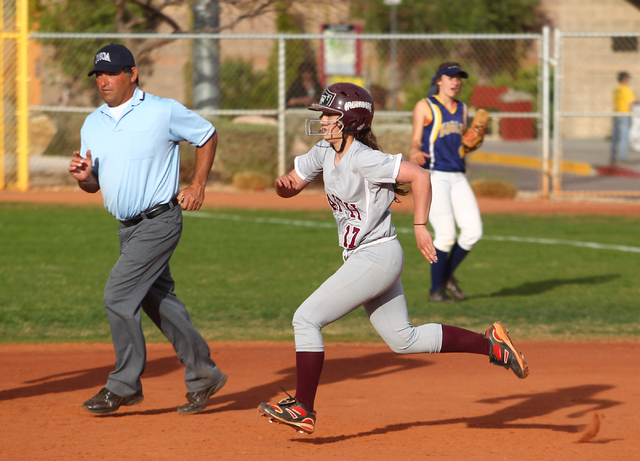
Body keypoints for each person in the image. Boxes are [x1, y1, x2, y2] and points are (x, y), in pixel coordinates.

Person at [257, 82, 529, 435]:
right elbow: (294, 181)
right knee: (404, 340)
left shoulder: (364, 157)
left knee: (306, 319)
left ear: (350, 120)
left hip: (376, 257)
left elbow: (420, 176)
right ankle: (489, 343)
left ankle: (304, 408)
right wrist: (285, 187)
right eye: (323, 114)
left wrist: (420, 226)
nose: (323, 120)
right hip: (369, 257)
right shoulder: (324, 151)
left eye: (330, 114)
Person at [68, 43, 227, 415]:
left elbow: (206, 134)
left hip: (160, 221)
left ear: (132, 73)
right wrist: (84, 177)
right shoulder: (93, 123)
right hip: (127, 229)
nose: (103, 81)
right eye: (99, 75)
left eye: (111, 73)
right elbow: (93, 185)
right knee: (160, 303)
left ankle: (123, 385)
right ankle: (204, 374)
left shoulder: (161, 110)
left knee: (118, 295)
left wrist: (198, 183)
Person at [409, 62, 483, 303]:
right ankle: (435, 291)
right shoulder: (425, 105)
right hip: (435, 176)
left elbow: (461, 142)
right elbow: (416, 140)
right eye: (450, 76)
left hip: (458, 175)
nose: (455, 81)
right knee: (446, 234)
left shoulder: (462, 109)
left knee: (473, 232)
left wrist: (471, 141)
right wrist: (414, 152)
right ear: (438, 80)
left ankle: (446, 276)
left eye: (459, 77)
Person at [611, 71, 636, 166]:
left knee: (615, 137)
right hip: (624, 114)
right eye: (628, 78)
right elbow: (630, 102)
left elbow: (614, 100)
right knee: (623, 137)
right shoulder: (626, 89)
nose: (629, 80)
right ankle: (622, 157)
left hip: (616, 113)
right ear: (625, 79)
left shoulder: (617, 89)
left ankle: (613, 157)